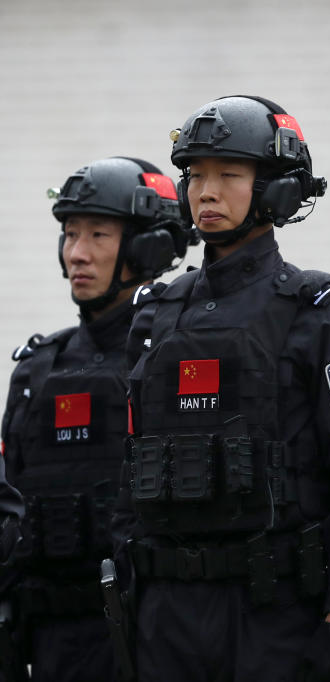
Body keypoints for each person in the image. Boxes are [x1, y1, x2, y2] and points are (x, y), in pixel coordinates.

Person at [113, 96, 330, 682]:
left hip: (275, 612)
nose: (205, 192)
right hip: (164, 617)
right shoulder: (156, 312)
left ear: (277, 191)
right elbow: (128, 473)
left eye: (228, 175)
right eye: (195, 176)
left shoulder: (319, 308)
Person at [0, 157, 191, 682]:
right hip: (44, 639)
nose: (77, 253)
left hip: (146, 635)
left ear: (146, 249)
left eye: (99, 235)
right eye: (69, 234)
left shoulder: (175, 356)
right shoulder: (37, 367)